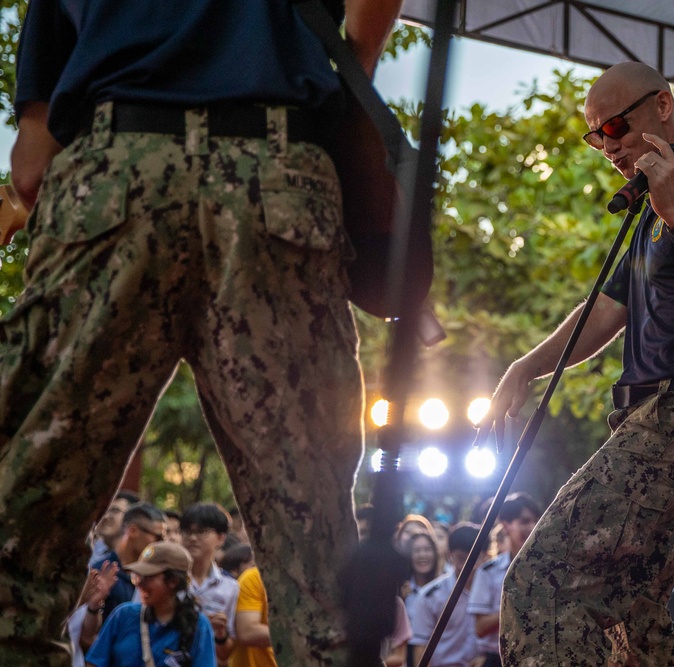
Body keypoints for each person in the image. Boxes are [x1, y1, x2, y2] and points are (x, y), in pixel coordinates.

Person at [0, 1, 403, 664]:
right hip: (275, 163)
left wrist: (39, 117)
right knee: (315, 548)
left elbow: (34, 158)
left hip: (118, 154)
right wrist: (348, 67)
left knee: (20, 529)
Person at [480, 60, 674, 665]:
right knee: (630, 625)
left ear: (663, 106)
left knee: (540, 582)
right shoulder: (650, 213)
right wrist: (521, 370)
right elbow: (604, 311)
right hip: (664, 423)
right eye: (595, 136)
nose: (606, 146)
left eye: (614, 126)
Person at [85, 541, 215, 667]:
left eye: (148, 577)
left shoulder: (198, 626)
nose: (140, 584)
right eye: (137, 576)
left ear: (173, 581)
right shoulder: (123, 615)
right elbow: (94, 662)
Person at [81, 503, 167, 650]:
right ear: (133, 531)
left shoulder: (153, 578)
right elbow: (82, 634)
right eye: (157, 537)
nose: (162, 543)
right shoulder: (101, 573)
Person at [468, 494, 542, 667]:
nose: (532, 527)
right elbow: (480, 628)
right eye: (524, 521)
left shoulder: (550, 569)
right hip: (497, 659)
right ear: (506, 525)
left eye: (536, 521)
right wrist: (516, 606)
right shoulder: (488, 572)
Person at [410, 523, 481, 667]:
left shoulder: (496, 591)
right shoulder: (430, 596)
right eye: (461, 559)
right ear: (450, 555)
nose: (468, 567)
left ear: (486, 555)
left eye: (474, 559)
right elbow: (420, 649)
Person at [181, 502, 240, 664]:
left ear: (221, 538)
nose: (192, 538)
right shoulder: (166, 579)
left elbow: (225, 654)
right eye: (187, 531)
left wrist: (220, 635)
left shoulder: (230, 588)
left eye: (202, 532)